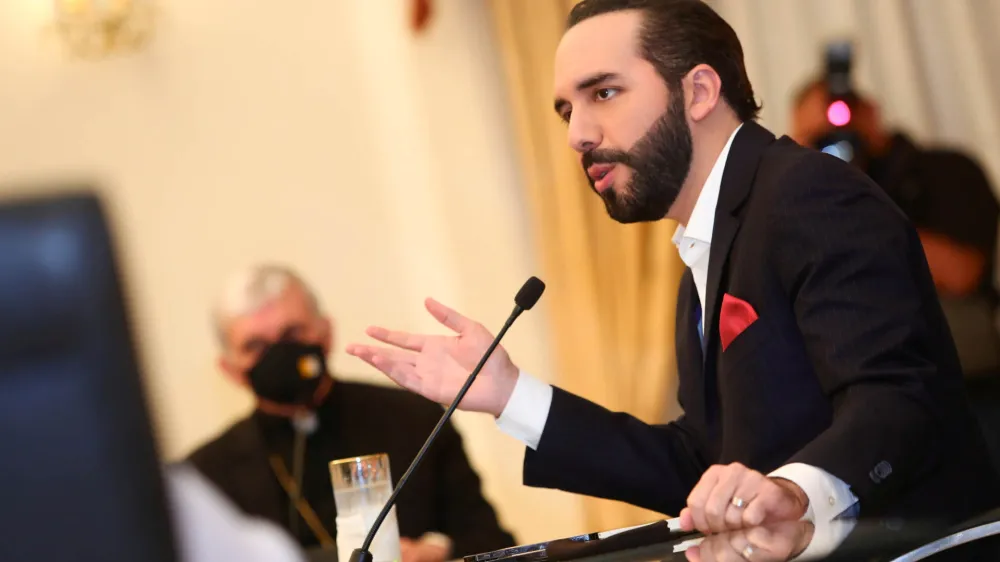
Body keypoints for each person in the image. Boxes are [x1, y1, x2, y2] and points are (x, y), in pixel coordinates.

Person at [346, 0, 1000, 545]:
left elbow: (897, 398)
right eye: (566, 110)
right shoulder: (707, 249)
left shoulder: (807, 195)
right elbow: (703, 463)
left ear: (700, 90)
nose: (577, 134)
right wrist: (512, 396)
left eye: (602, 92)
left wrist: (792, 492)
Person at [186, 264, 515, 560]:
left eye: (292, 334)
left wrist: (437, 555)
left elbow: (494, 543)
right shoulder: (205, 476)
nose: (279, 355)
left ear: (326, 333)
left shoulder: (413, 419)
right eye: (255, 346)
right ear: (230, 369)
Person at [790, 77, 1000, 378]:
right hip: (866, 388)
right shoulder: (811, 206)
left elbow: (960, 274)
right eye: (817, 138)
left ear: (870, 114)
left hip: (965, 375)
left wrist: (858, 201)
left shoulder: (944, 169)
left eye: (839, 127)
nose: (834, 145)